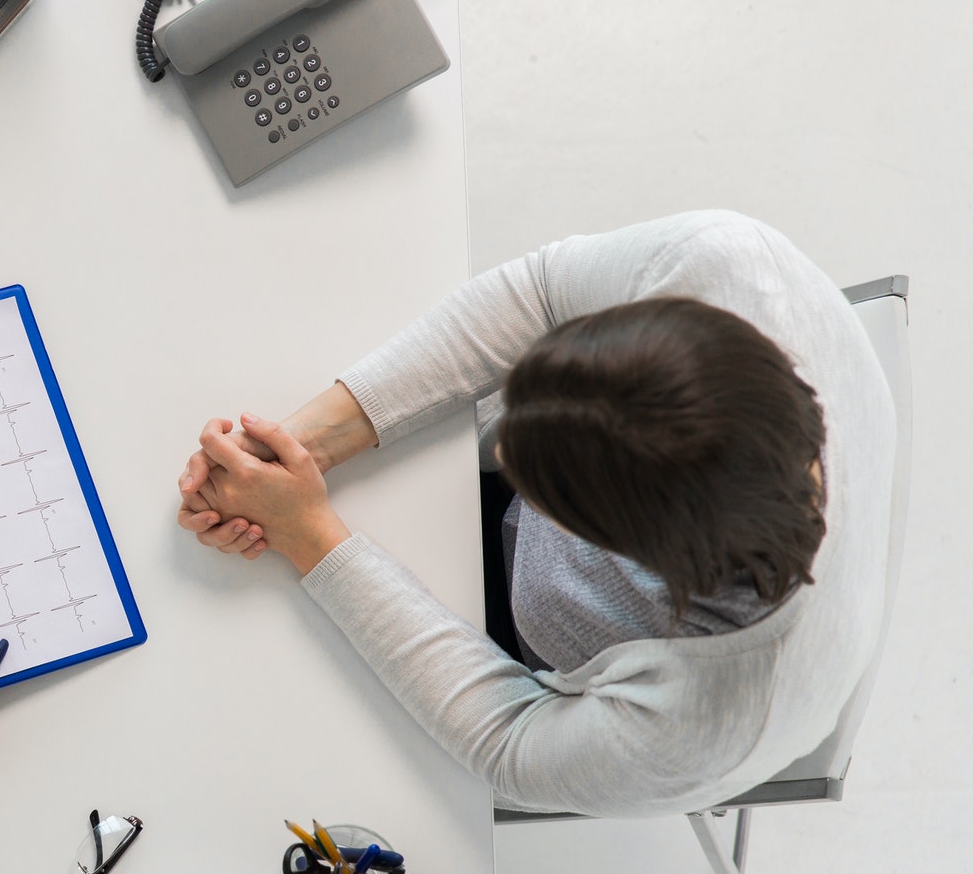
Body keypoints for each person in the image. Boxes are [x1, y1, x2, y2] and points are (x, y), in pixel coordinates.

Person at [175, 211, 895, 816]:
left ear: (624, 551)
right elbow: (541, 293)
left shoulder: (711, 720)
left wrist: (309, 533)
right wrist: (299, 447)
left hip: (540, 666)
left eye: (542, 488)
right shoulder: (725, 268)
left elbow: (509, 739)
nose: (501, 445)